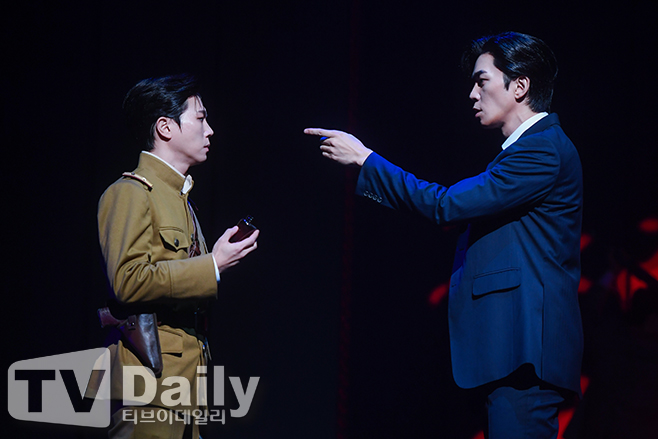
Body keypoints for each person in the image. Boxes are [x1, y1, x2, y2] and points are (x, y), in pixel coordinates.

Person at [305, 32, 583, 439]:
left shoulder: (542, 150)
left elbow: (446, 205)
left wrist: (366, 159)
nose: (472, 94)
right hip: (506, 353)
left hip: (524, 353)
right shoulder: (524, 151)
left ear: (520, 86)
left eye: (482, 81)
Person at [97, 74, 259, 439]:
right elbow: (127, 281)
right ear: (165, 127)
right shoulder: (131, 193)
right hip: (146, 385)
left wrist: (214, 261)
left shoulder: (182, 201)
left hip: (185, 389)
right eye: (200, 118)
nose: (210, 130)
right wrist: (212, 265)